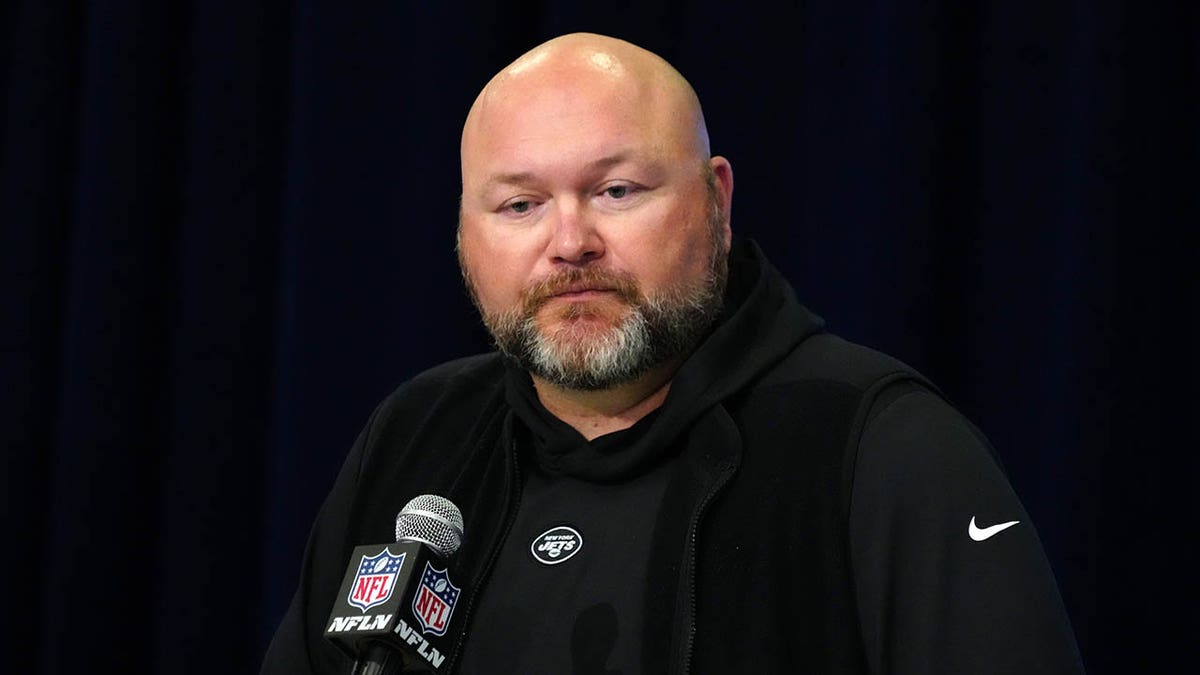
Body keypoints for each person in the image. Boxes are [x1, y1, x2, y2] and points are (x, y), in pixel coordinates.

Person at [260, 32, 1086, 674]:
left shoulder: (881, 447)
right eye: (520, 204)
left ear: (715, 200)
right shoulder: (417, 439)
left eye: (617, 191)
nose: (569, 242)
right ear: (464, 235)